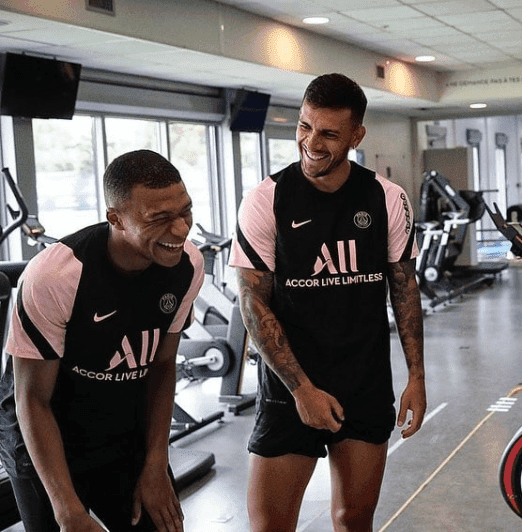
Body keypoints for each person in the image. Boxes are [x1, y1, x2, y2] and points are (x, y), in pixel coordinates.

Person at [229, 72, 426, 532]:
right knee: (270, 526)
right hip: (289, 384)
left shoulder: (386, 198)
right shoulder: (265, 200)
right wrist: (302, 390)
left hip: (365, 380)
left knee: (354, 519)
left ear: (357, 136)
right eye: (305, 126)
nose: (311, 143)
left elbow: (404, 288)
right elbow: (253, 304)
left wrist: (416, 376)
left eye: (329, 134)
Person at [0, 149, 204, 532]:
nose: (180, 230)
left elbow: (162, 366)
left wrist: (156, 462)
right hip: (44, 434)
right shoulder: (56, 277)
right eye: (159, 218)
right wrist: (68, 511)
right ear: (116, 219)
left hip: (119, 429)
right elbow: (33, 400)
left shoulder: (188, 265)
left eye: (185, 211)